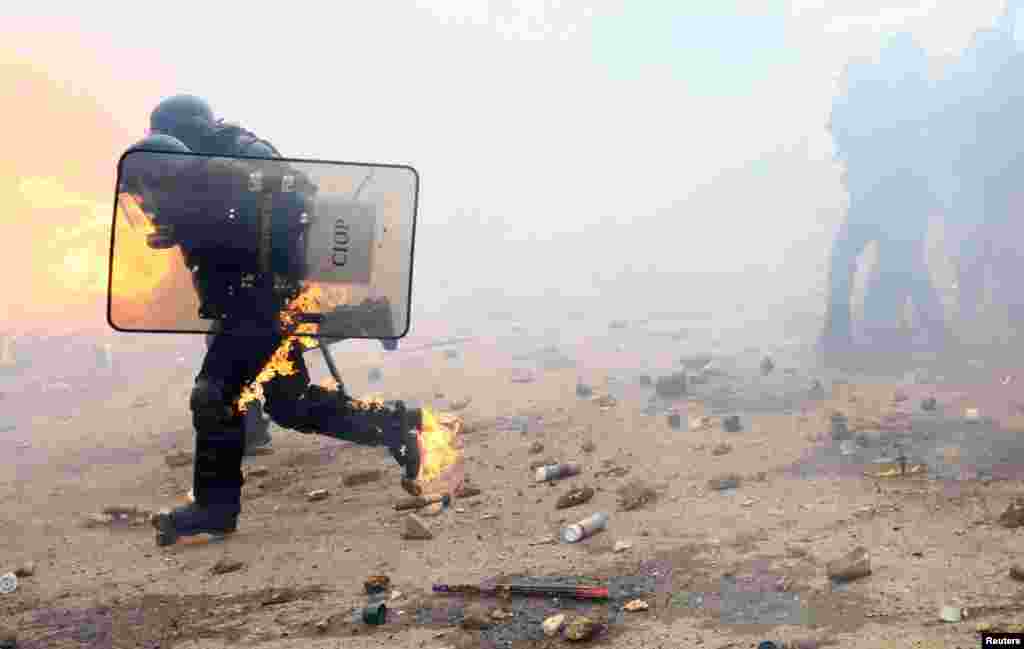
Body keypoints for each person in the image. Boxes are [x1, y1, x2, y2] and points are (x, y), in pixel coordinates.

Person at [128, 105, 426, 547]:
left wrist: (241, 238)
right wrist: (184, 226)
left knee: (213, 395)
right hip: (249, 303)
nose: (146, 199)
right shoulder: (204, 180)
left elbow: (285, 205)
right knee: (292, 404)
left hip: (259, 301)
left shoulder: (241, 158)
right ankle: (397, 427)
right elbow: (221, 224)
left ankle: (215, 507)